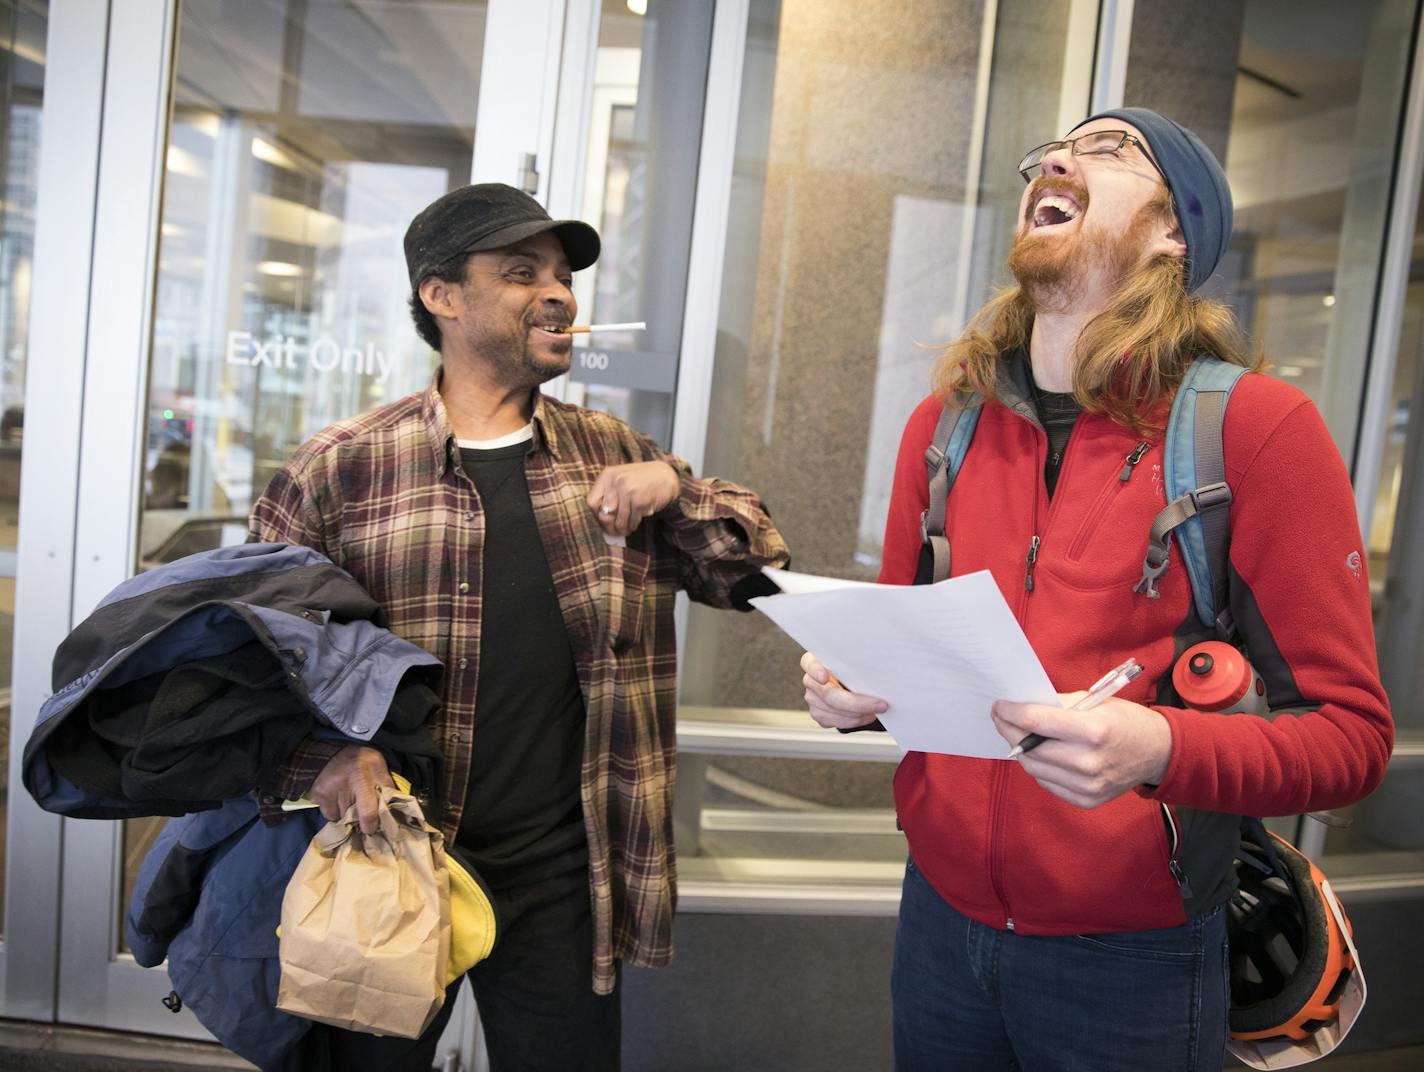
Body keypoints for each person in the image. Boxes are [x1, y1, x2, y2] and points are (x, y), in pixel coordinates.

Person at [800, 108, 1393, 1070]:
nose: (1061, 157)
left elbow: (1351, 739)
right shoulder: (945, 426)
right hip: (938, 923)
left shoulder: (1257, 432)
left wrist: (1158, 745)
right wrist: (856, 690)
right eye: (1053, 150)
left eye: (1110, 149)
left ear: (1175, 232)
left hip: (1135, 955)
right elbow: (911, 652)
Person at [249, 182, 789, 1071]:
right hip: (392, 854)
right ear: (442, 295)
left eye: (564, 276)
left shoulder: (615, 454)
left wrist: (680, 489)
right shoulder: (340, 469)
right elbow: (257, 667)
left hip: (560, 872)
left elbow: (755, 575)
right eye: (521, 272)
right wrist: (326, 761)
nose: (561, 295)